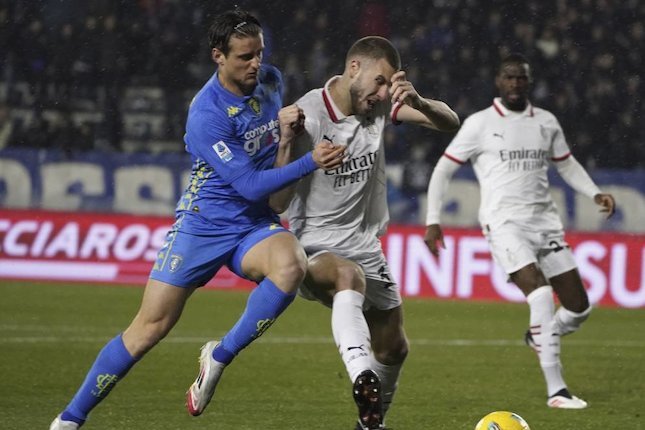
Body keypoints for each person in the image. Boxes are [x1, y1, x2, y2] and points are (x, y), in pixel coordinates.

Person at [49, 9, 345, 429]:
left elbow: (273, 200)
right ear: (217, 56)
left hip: (252, 225)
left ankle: (219, 356)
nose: (256, 64)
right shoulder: (206, 114)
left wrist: (286, 143)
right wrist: (309, 162)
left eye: (259, 53)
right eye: (244, 56)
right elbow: (246, 183)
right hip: (202, 225)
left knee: (291, 264)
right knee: (148, 329)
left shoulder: (272, 82)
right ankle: (69, 420)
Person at [273, 36, 459, 429]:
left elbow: (449, 122)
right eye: (379, 81)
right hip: (314, 247)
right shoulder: (307, 115)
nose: (381, 93)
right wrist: (291, 147)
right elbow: (276, 204)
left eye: (387, 85)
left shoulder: (376, 107)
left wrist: (420, 103)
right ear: (354, 67)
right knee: (346, 276)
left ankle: (369, 424)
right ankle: (362, 376)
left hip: (364, 245)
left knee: (393, 347)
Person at [424, 53, 616, 410]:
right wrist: (433, 219)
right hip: (504, 223)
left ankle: (540, 336)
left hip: (545, 223)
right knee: (541, 297)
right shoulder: (480, 124)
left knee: (578, 308)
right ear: (498, 81)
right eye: (509, 77)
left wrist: (594, 192)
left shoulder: (546, 122)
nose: (515, 83)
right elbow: (442, 170)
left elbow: (567, 165)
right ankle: (557, 391)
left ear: (528, 82)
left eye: (521, 78)